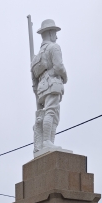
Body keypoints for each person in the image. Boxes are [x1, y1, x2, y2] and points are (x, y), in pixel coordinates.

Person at [31, 19, 68, 155]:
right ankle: (47, 141)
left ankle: (48, 142)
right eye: (55, 33)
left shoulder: (36, 57)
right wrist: (65, 77)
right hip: (53, 83)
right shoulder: (54, 47)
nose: (56, 36)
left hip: (41, 89)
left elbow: (34, 80)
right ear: (51, 33)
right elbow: (59, 66)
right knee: (52, 112)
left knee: (51, 114)